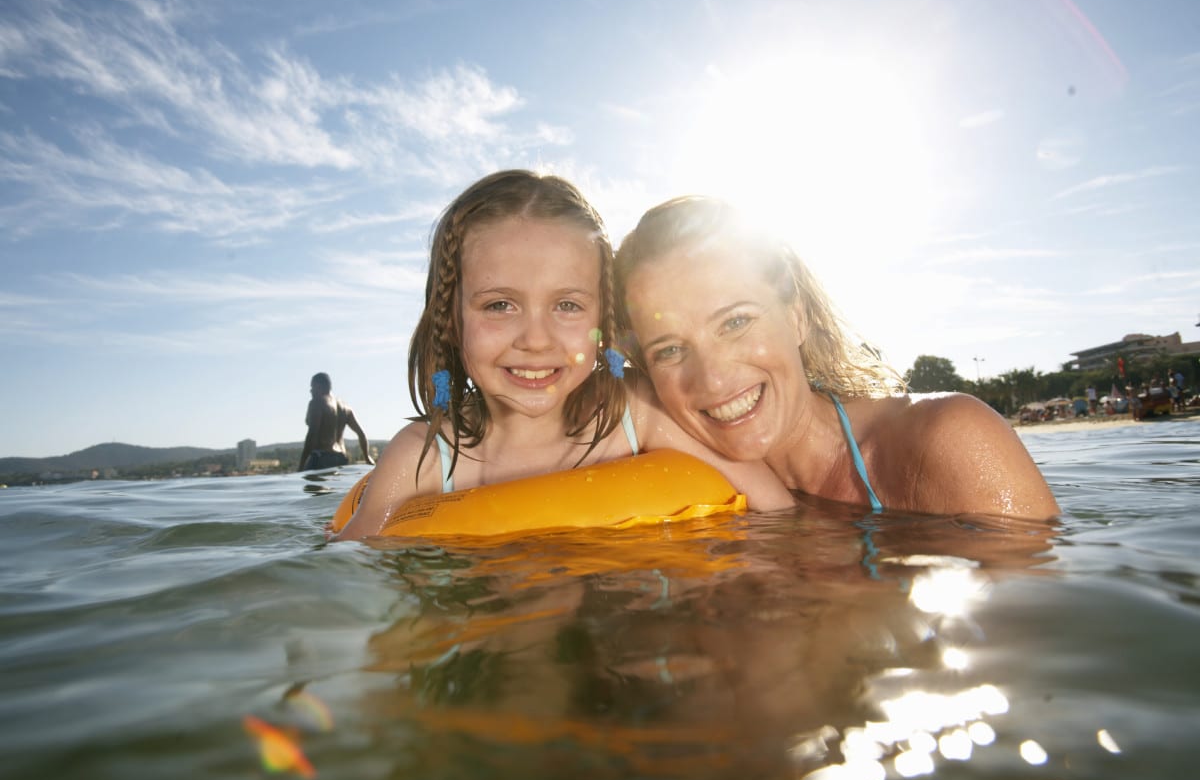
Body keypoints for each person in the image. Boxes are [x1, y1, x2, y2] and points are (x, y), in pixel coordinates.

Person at [336, 172, 792, 541]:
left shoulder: (634, 412)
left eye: (567, 305)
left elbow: (775, 510)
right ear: (451, 321)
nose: (537, 340)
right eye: (500, 305)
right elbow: (349, 575)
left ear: (603, 322)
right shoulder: (426, 458)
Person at [614, 196, 1060, 519]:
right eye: (670, 349)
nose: (711, 380)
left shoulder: (948, 441)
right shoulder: (695, 483)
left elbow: (1037, 630)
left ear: (797, 315)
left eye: (735, 322)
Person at [299, 372, 374, 471]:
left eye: (313, 387)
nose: (311, 391)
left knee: (311, 486)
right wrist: (367, 457)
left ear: (320, 386)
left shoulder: (317, 403)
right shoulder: (345, 407)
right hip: (341, 458)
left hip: (321, 458)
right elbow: (361, 434)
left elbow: (312, 434)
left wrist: (301, 464)